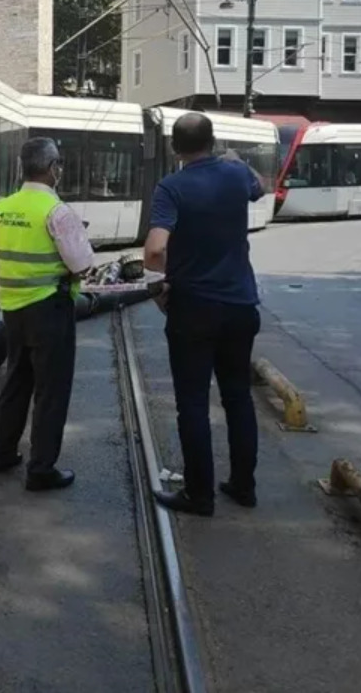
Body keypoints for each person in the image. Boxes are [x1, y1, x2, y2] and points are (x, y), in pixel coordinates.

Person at [144, 113, 265, 517]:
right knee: (237, 397)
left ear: (175, 149)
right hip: (240, 306)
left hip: (193, 310)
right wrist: (237, 160)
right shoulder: (235, 175)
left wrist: (157, 287)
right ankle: (244, 486)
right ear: (212, 143)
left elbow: (157, 248)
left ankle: (200, 494)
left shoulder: (171, 187)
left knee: (193, 403)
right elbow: (260, 187)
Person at [0, 137, 95, 492]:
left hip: (13, 309)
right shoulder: (57, 211)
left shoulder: (0, 208)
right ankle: (41, 468)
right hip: (50, 308)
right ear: (53, 169)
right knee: (51, 390)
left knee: (16, 380)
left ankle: (2, 452)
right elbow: (81, 265)